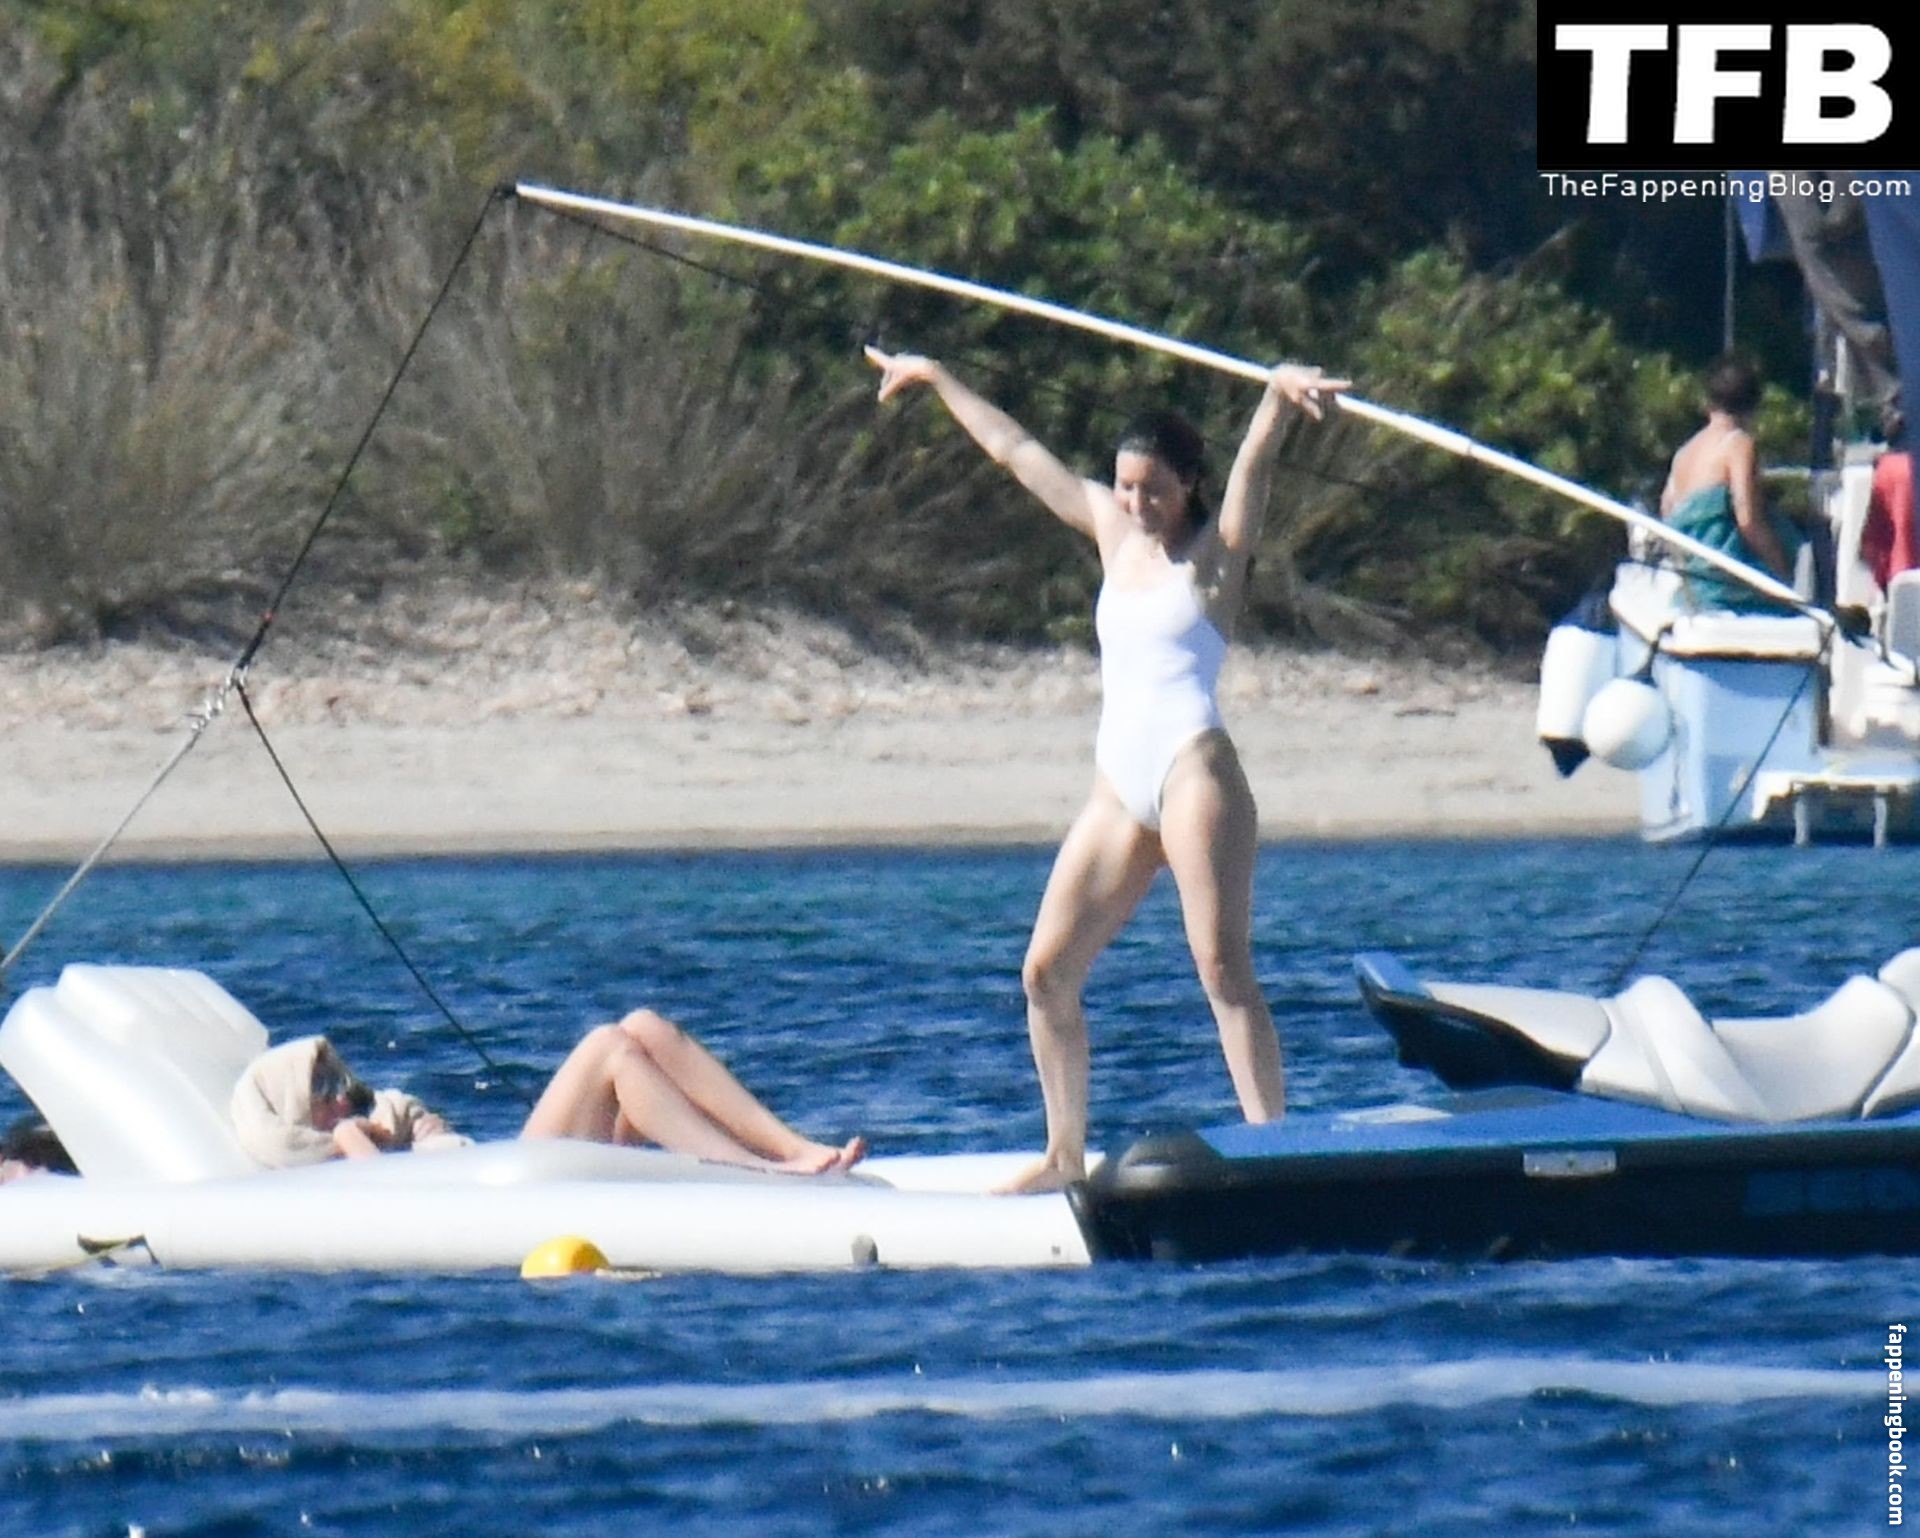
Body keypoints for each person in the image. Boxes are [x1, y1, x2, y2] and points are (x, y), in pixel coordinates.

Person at [866, 344, 1348, 1192]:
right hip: (1118, 787)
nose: (1136, 502)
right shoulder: (1112, 531)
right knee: (1045, 974)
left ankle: (1275, 1148)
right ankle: (1062, 1156)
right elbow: (1016, 451)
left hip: (1195, 776)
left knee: (1222, 971)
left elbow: (1254, 467)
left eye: (1153, 490)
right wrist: (938, 378)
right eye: (1126, 487)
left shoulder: (1217, 555)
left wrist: (1276, 398)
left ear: (1187, 485)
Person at [230, 1012, 867, 1174]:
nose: (345, 1095)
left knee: (643, 1026)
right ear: (298, 1116)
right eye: (323, 1089)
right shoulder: (341, 1158)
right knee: (608, 1047)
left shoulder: (380, 1121)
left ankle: (791, 1148)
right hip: (520, 1187)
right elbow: (392, 1200)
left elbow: (421, 1135)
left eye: (340, 1078)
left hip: (519, 1167)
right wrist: (353, 1139)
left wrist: (385, 1126)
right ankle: (757, 1171)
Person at [1660, 353, 1803, 613]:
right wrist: (1782, 575)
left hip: (1693, 587)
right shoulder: (1738, 445)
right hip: (1729, 588)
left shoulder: (1683, 453)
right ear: (1753, 403)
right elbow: (1748, 519)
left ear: (1708, 400)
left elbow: (1668, 511)